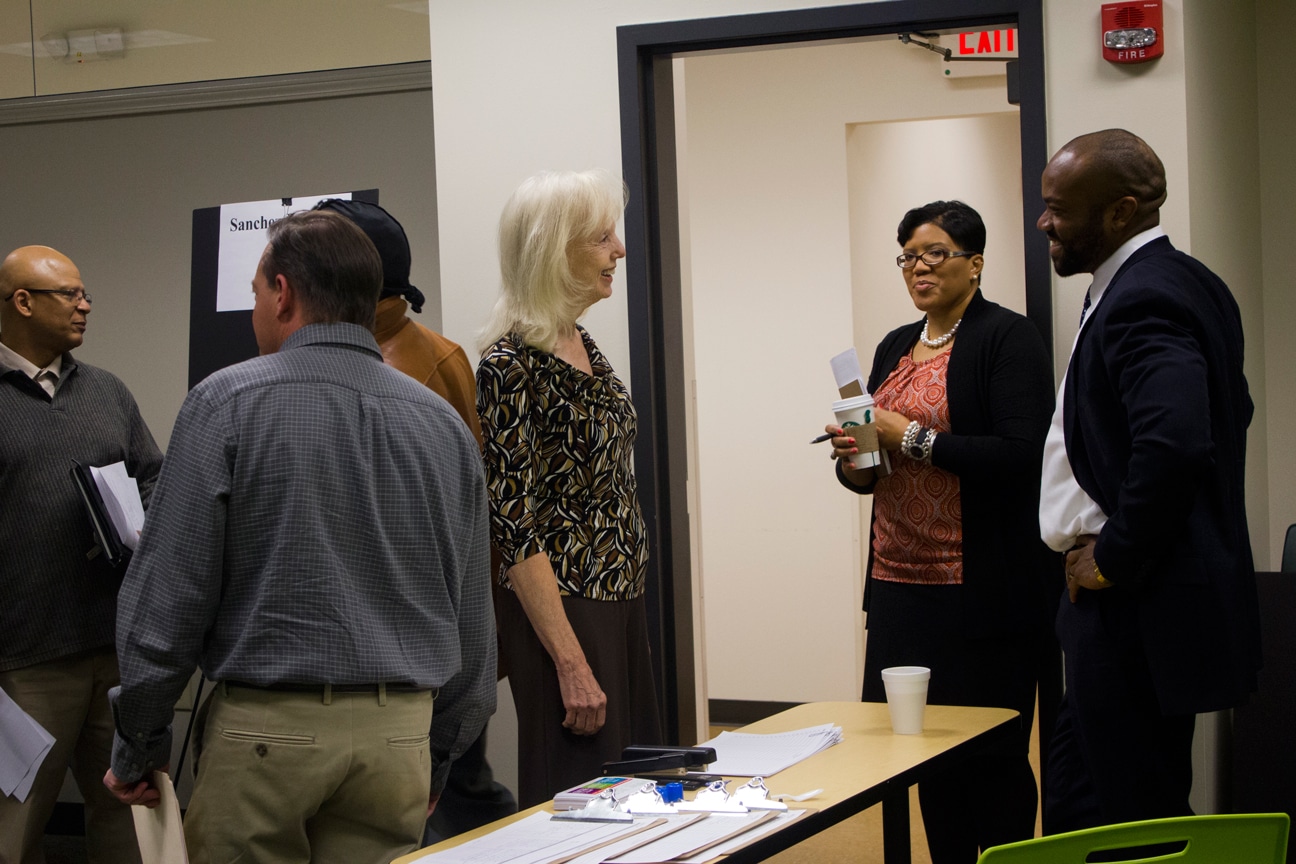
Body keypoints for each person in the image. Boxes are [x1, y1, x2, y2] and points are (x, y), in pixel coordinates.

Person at [103, 210, 496, 863]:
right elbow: (473, 623)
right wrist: (435, 754)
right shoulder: (445, 428)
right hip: (398, 740)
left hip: (267, 737)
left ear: (282, 293)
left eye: (257, 292)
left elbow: (167, 603)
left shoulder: (225, 404)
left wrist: (139, 742)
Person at [1037, 129, 1260, 834]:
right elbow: (1232, 411)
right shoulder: (1184, 281)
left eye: (1058, 209)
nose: (1043, 223)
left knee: (1129, 821)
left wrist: (1114, 556)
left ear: (1120, 212)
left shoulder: (1142, 296)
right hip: (1129, 605)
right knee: (1081, 804)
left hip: (1132, 607)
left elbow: (1178, 441)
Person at [826, 201, 1060, 863]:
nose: (918, 267)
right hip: (901, 588)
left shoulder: (1008, 338)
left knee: (993, 758)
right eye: (907, 256)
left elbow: (1021, 456)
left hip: (982, 591)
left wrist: (912, 437)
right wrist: (856, 457)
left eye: (934, 253)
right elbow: (872, 472)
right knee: (922, 757)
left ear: (975, 263)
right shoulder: (894, 346)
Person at [313, 197, 517, 840]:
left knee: (435, 802)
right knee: (457, 790)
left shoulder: (394, 375)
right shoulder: (438, 352)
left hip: (410, 646)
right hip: (440, 637)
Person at [477, 169, 662, 809]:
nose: (619, 251)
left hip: (619, 601)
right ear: (554, 250)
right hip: (567, 609)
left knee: (635, 796)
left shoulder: (579, 341)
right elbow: (514, 527)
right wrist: (571, 662)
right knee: (583, 804)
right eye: (601, 238)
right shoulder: (509, 366)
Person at [0, 246, 162, 864]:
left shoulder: (106, 390)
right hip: (24, 663)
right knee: (14, 827)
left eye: (83, 293)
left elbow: (153, 476)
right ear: (22, 302)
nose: (85, 305)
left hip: (115, 652)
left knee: (128, 820)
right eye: (69, 294)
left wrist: (138, 521)